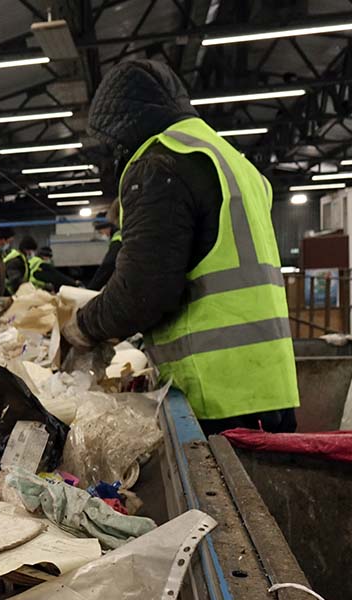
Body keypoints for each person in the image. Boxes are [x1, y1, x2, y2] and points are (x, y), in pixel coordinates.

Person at [61, 59, 298, 436]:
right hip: (271, 386)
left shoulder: (160, 164)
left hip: (221, 394)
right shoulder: (231, 160)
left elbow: (142, 292)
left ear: (127, 128)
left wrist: (82, 327)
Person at [87, 205, 122, 290]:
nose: (103, 234)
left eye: (101, 231)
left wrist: (91, 289)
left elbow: (108, 265)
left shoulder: (117, 238)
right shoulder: (121, 234)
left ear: (107, 226)